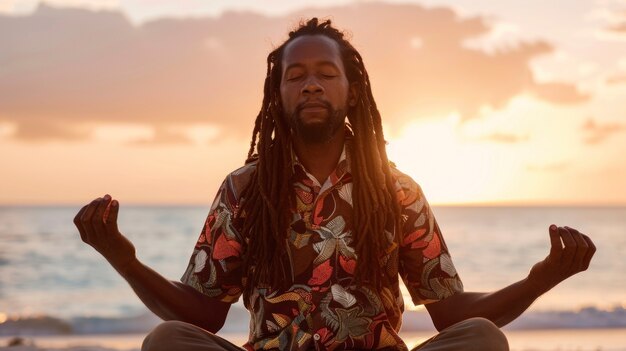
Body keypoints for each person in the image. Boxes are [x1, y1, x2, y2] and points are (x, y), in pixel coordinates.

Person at [74, 18, 596, 351]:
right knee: (166, 342)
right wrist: (124, 258)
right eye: (295, 75)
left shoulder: (397, 190)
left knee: (482, 339)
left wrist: (541, 278)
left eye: (326, 72)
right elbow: (204, 314)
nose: (311, 84)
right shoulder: (244, 189)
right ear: (278, 94)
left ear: (351, 90)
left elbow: (449, 313)